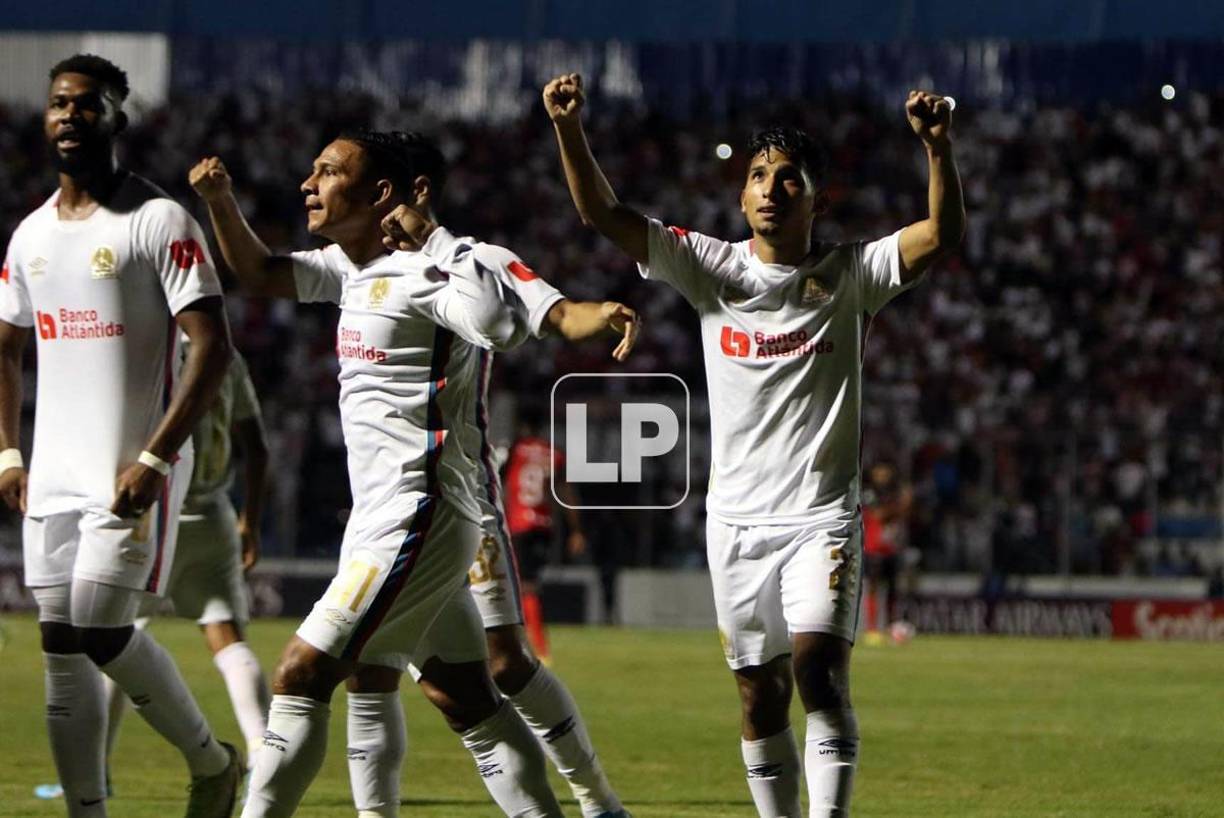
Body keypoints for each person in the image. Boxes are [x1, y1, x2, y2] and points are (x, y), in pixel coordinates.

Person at [544, 72, 965, 816]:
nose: (772, 188)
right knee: (757, 694)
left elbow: (940, 235)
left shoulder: (850, 273)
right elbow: (602, 213)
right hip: (735, 522)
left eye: (788, 176)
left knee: (819, 673)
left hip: (820, 518)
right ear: (742, 198)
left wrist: (937, 150)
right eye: (758, 176)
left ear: (816, 199)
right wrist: (569, 129)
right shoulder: (711, 268)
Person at [189, 129, 610, 817]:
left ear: (383, 192)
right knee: (463, 695)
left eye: (328, 172)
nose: (308, 184)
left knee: (302, 672)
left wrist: (439, 246)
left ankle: (599, 801)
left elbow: (500, 327)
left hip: (422, 508)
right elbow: (261, 273)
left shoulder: (432, 268)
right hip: (382, 514)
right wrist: (220, 203)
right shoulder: (350, 268)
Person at [0, 54, 242, 818]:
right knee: (60, 652)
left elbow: (212, 347)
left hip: (133, 469)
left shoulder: (157, 220)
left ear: (116, 118)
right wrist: (8, 452)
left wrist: (155, 458)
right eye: (59, 103)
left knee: (102, 633)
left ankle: (213, 762)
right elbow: (5, 349)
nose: (69, 115)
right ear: (45, 117)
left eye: (87, 103)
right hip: (53, 473)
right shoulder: (30, 235)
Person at [36, 345, 272, 798]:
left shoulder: (150, 345)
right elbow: (257, 446)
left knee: (112, 635)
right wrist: (251, 522)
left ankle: (96, 770)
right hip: (214, 513)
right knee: (227, 636)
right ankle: (264, 755)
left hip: (154, 508)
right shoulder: (227, 354)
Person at [492, 408, 587, 663]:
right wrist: (576, 530)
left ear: (522, 426)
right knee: (527, 584)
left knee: (522, 586)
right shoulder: (554, 453)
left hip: (518, 525)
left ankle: (538, 650)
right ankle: (529, 645)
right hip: (544, 527)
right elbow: (566, 492)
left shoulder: (515, 449)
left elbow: (494, 479)